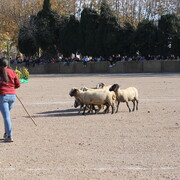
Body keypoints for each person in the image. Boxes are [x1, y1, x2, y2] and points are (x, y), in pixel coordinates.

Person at [0, 58, 20, 142]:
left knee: (6, 116)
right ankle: (6, 133)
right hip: (12, 96)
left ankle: (9, 136)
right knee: (6, 116)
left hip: (3, 96)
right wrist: (11, 88)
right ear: (7, 64)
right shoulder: (12, 72)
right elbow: (18, 84)